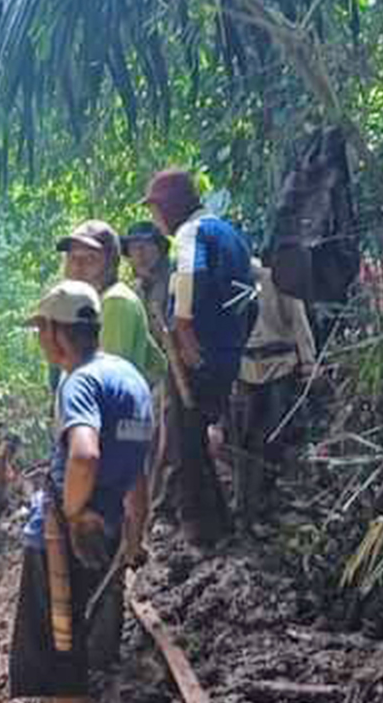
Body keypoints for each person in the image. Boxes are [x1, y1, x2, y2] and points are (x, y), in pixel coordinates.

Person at [10, 280, 152, 703]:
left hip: (64, 538)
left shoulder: (80, 383)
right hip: (107, 530)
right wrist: (133, 535)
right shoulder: (130, 379)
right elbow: (138, 473)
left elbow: (85, 454)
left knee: (60, 658)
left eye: (41, 331)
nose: (40, 341)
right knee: (70, 650)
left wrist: (70, 513)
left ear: (56, 332)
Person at [143, 168, 254, 546]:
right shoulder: (231, 235)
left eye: (155, 211)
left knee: (184, 442)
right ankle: (222, 525)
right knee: (199, 441)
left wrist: (186, 339)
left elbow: (189, 284)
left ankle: (202, 533)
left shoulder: (191, 234)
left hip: (198, 355)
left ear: (168, 207)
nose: (155, 221)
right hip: (226, 354)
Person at [229, 258, 315, 531]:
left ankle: (266, 502)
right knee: (244, 440)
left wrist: (308, 361)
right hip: (245, 369)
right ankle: (244, 504)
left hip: (280, 365)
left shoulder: (276, 279)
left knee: (273, 439)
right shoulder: (228, 285)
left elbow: (298, 319)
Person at [58, 220, 166, 387]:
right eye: (73, 258)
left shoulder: (116, 302)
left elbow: (107, 384)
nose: (78, 267)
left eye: (90, 258)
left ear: (110, 263)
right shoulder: (91, 306)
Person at [122, 222, 174, 513]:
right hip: (141, 380)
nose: (139, 254)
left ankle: (155, 507)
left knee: (161, 440)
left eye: (145, 246)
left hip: (174, 375)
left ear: (158, 248)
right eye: (133, 248)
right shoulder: (132, 293)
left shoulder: (176, 281)